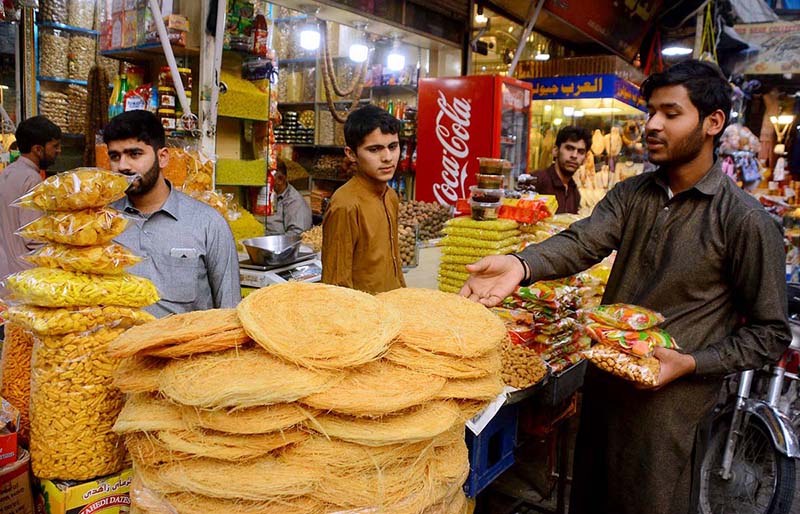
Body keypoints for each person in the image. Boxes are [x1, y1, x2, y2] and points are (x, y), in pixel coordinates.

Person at [460, 60, 791, 514]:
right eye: (651, 112)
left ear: (713, 123)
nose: (652, 124)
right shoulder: (632, 195)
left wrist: (693, 362)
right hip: (603, 393)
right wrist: (520, 264)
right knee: (590, 496)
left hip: (667, 413)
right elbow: (582, 242)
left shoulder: (744, 222)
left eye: (670, 114)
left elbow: (770, 333)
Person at [105, 110, 240, 318]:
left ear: (163, 157)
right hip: (116, 349)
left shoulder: (208, 224)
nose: (122, 166)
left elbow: (230, 312)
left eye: (135, 154)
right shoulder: (101, 224)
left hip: (187, 349)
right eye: (115, 156)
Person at [321, 105, 406, 294]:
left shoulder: (391, 196)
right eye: (374, 149)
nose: (387, 157)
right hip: (364, 317)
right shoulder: (345, 205)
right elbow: (336, 284)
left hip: (393, 309)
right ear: (351, 154)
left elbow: (394, 262)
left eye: (393, 147)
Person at [0, 115, 62, 280]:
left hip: (4, 270)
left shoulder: (7, 172)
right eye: (54, 146)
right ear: (38, 149)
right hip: (25, 273)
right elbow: (34, 236)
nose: (59, 151)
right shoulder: (32, 179)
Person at [531, 125, 590, 214]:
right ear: (555, 150)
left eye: (580, 152)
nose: (574, 155)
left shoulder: (574, 191)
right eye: (569, 148)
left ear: (585, 158)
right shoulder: (537, 180)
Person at [265, 159, 312, 236]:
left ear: (280, 179)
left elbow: (296, 235)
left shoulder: (295, 202)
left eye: (267, 179)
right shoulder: (265, 195)